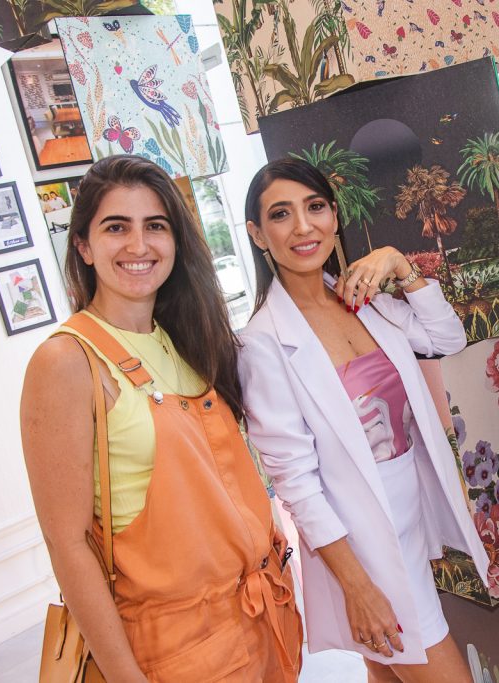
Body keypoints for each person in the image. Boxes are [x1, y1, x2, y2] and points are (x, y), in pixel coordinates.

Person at [20, 155, 301, 682]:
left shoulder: (187, 340)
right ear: (83, 245)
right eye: (115, 228)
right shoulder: (66, 361)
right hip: (175, 651)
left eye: (155, 226)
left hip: (263, 622)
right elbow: (67, 543)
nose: (138, 245)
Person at [238, 158, 491, 683]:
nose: (304, 227)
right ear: (258, 234)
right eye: (281, 215)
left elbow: (446, 340)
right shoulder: (262, 342)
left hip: (410, 520)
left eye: (315, 207)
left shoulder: (362, 300)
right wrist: (358, 587)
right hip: (365, 545)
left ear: (334, 216)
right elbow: (295, 483)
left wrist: (402, 266)